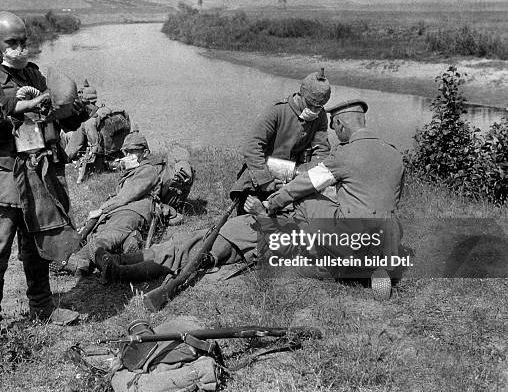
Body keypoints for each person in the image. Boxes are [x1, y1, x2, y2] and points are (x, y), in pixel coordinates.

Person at [99, 100, 404, 298]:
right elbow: (382, 202)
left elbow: (304, 188)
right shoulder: (394, 155)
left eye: (334, 128)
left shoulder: (345, 155)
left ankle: (128, 267)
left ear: (342, 124)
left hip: (321, 247)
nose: (333, 134)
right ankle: (375, 270)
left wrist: (268, 206)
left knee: (217, 240)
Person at [0, 11, 85, 340]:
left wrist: (72, 108)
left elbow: (60, 118)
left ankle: (42, 306)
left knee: (36, 245)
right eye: (12, 42)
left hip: (35, 173)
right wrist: (18, 105)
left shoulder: (34, 74)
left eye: (24, 42)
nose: (20, 48)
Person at [59, 132, 194, 275]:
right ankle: (130, 241)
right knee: (101, 232)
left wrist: (101, 209)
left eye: (132, 151)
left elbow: (127, 195)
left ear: (145, 153)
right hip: (125, 211)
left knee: (105, 237)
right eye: (126, 151)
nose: (127, 155)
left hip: (132, 209)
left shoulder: (147, 170)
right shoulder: (135, 171)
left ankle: (82, 261)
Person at [230, 70, 332, 208]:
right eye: (310, 104)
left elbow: (321, 153)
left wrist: (301, 179)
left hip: (294, 176)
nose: (314, 110)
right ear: (300, 95)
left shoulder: (320, 116)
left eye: (319, 106)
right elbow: (252, 146)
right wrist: (265, 181)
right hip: (262, 173)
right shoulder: (277, 111)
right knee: (249, 216)